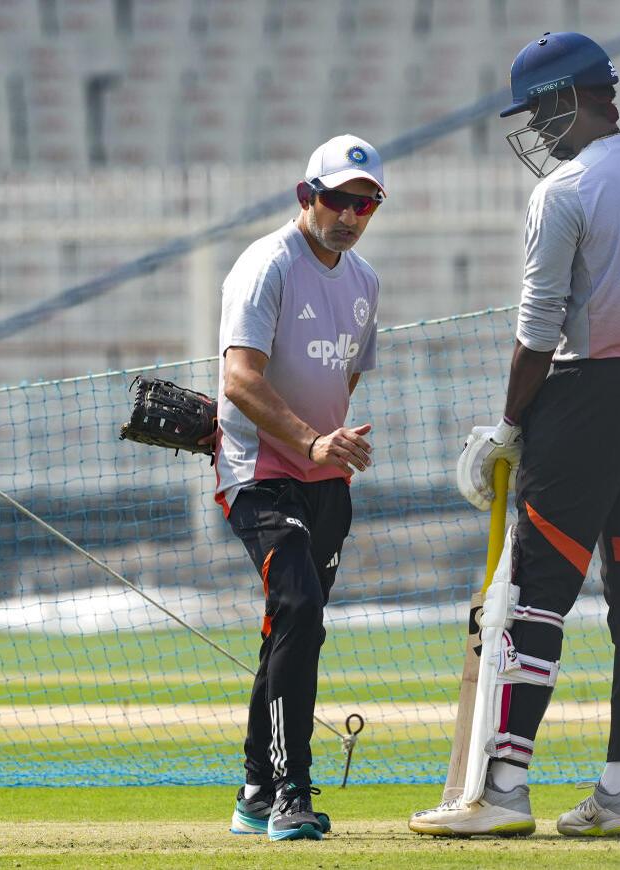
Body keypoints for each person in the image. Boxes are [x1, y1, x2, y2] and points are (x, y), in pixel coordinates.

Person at [415, 32, 620, 837]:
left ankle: (503, 790)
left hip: (583, 396)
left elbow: (539, 329)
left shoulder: (566, 191)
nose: (537, 133)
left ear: (567, 98)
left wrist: (509, 426)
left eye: (540, 113)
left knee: (538, 593)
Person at [216, 133, 385, 842]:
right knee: (299, 607)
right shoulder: (267, 265)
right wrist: (309, 439)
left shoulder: (365, 282)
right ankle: (292, 791)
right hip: (260, 473)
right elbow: (238, 377)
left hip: (328, 480)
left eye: (365, 203)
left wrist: (331, 445)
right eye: (337, 199)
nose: (348, 214)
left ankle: (256, 787)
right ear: (304, 196)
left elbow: (344, 377)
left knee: (295, 623)